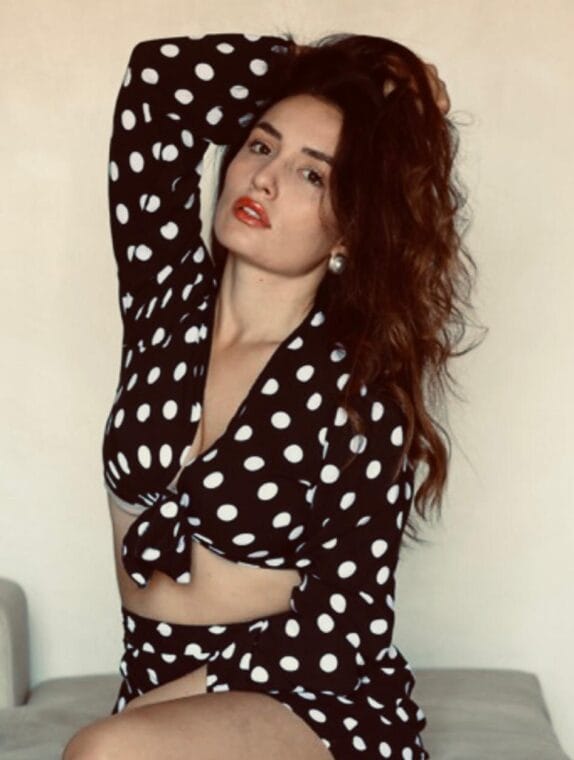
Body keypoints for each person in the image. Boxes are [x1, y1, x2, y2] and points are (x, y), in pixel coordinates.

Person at [63, 29, 476, 760]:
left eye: (312, 174)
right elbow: (157, 80)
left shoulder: (358, 396)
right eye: (260, 145)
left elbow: (341, 631)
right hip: (157, 699)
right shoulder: (165, 306)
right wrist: (335, 70)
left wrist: (161, 707)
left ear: (349, 231)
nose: (265, 179)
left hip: (308, 702)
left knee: (105, 753)